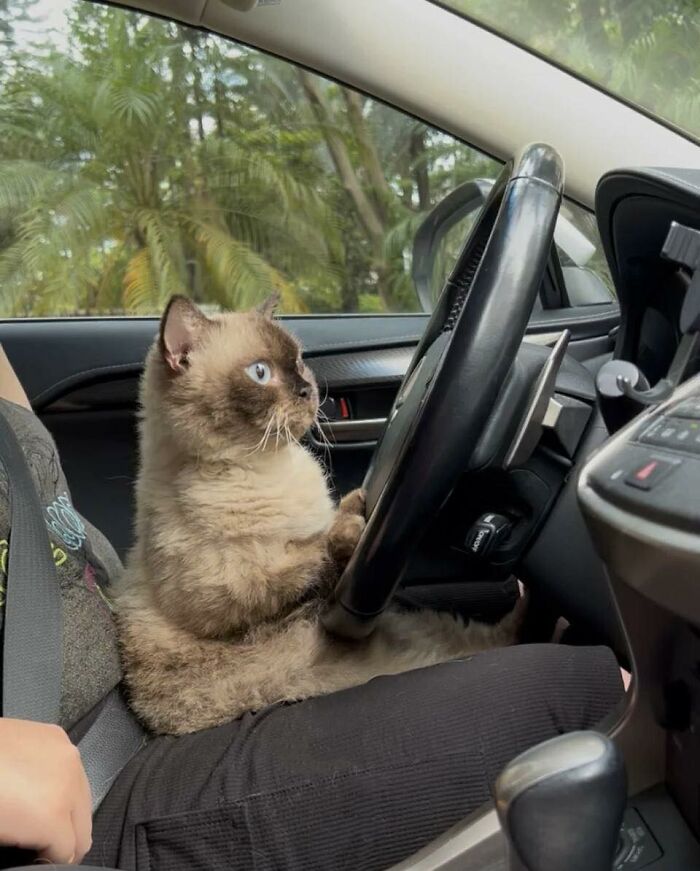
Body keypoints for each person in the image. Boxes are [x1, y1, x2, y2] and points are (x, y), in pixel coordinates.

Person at [0, 345, 625, 870]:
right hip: (95, 789)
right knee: (586, 692)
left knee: (496, 604)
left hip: (149, 680)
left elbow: (35, 481)